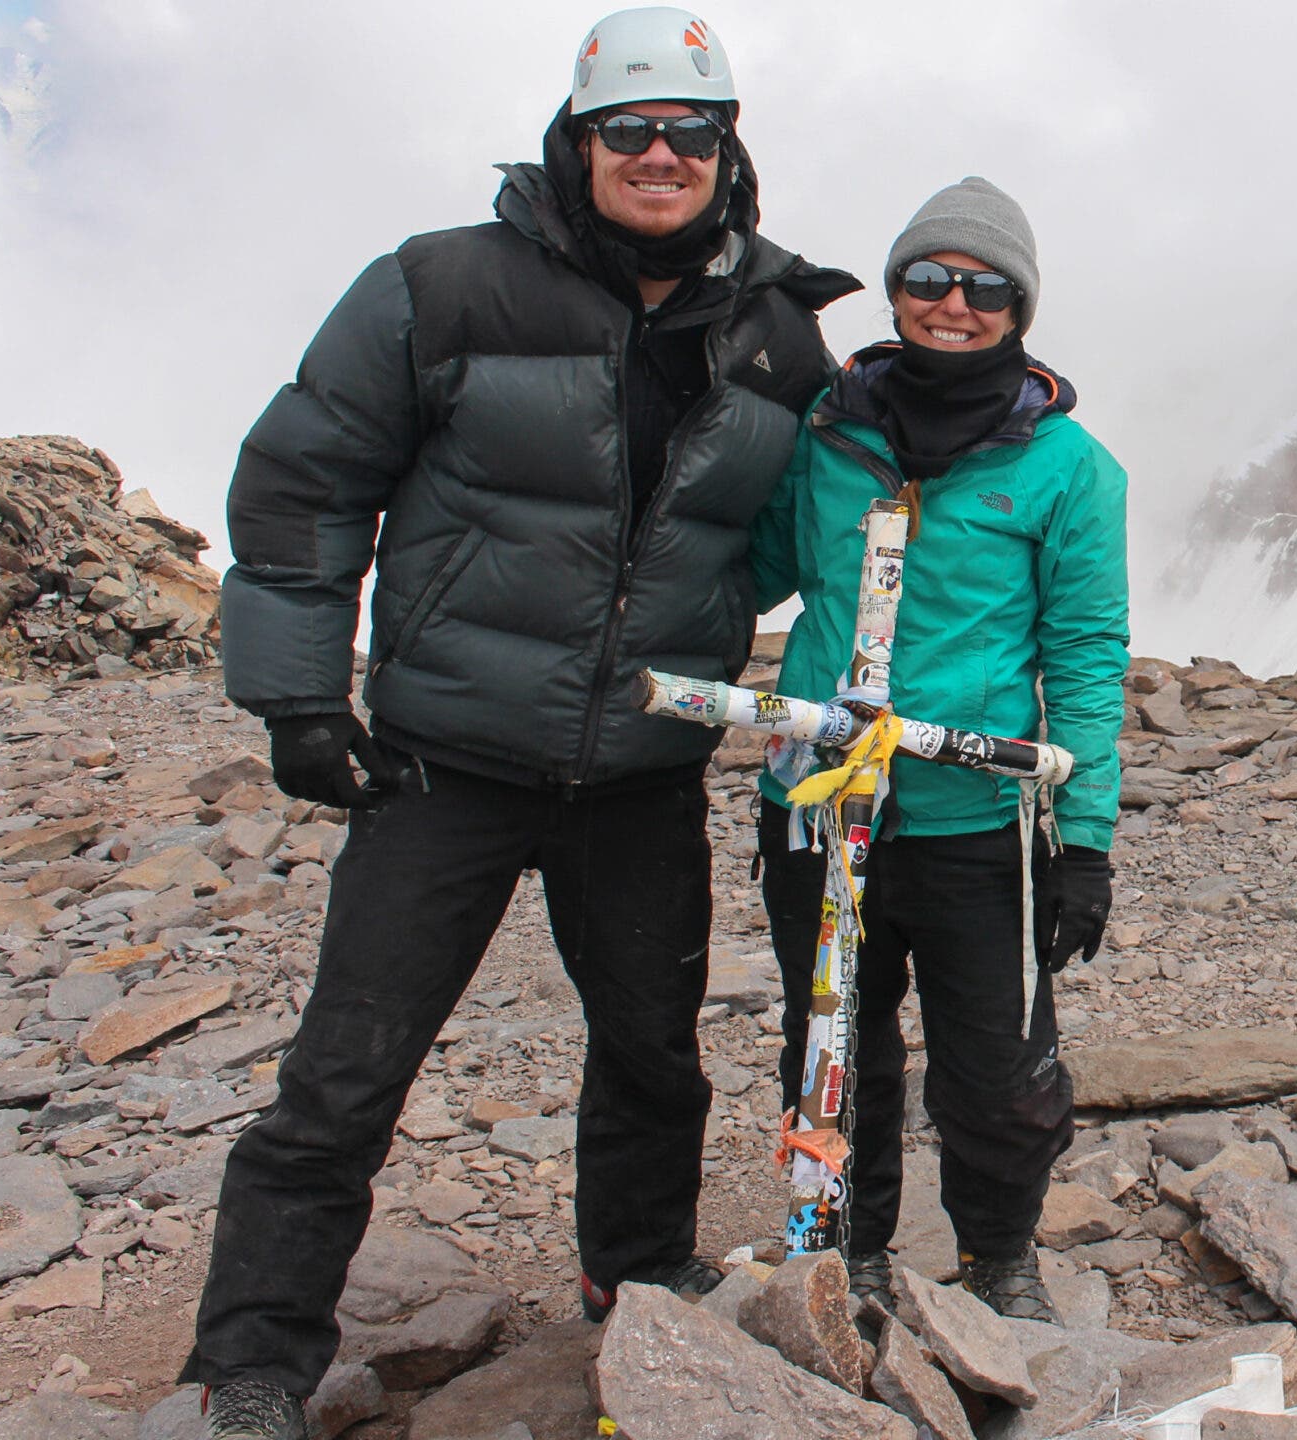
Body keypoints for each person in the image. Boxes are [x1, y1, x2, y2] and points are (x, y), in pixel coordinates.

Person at [183, 10, 858, 1438]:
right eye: (631, 131)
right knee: (351, 1067)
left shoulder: (782, 338)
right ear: (580, 141)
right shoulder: (442, 287)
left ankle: (636, 1271)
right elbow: (307, 480)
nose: (660, 156)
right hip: (446, 761)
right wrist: (300, 695)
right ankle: (251, 1365)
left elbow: (805, 524)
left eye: (691, 131)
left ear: (729, 150)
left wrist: (1008, 400)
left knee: (652, 1049)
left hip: (642, 769)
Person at [749, 177, 1129, 1323]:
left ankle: (997, 1261)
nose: (951, 304)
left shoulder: (1068, 469)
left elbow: (1086, 653)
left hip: (977, 820)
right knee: (833, 1043)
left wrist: (1087, 841)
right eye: (927, 278)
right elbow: (750, 565)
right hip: (818, 805)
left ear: (1019, 306)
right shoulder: (824, 429)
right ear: (898, 287)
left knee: (999, 1065)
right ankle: (848, 1256)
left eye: (983, 287)